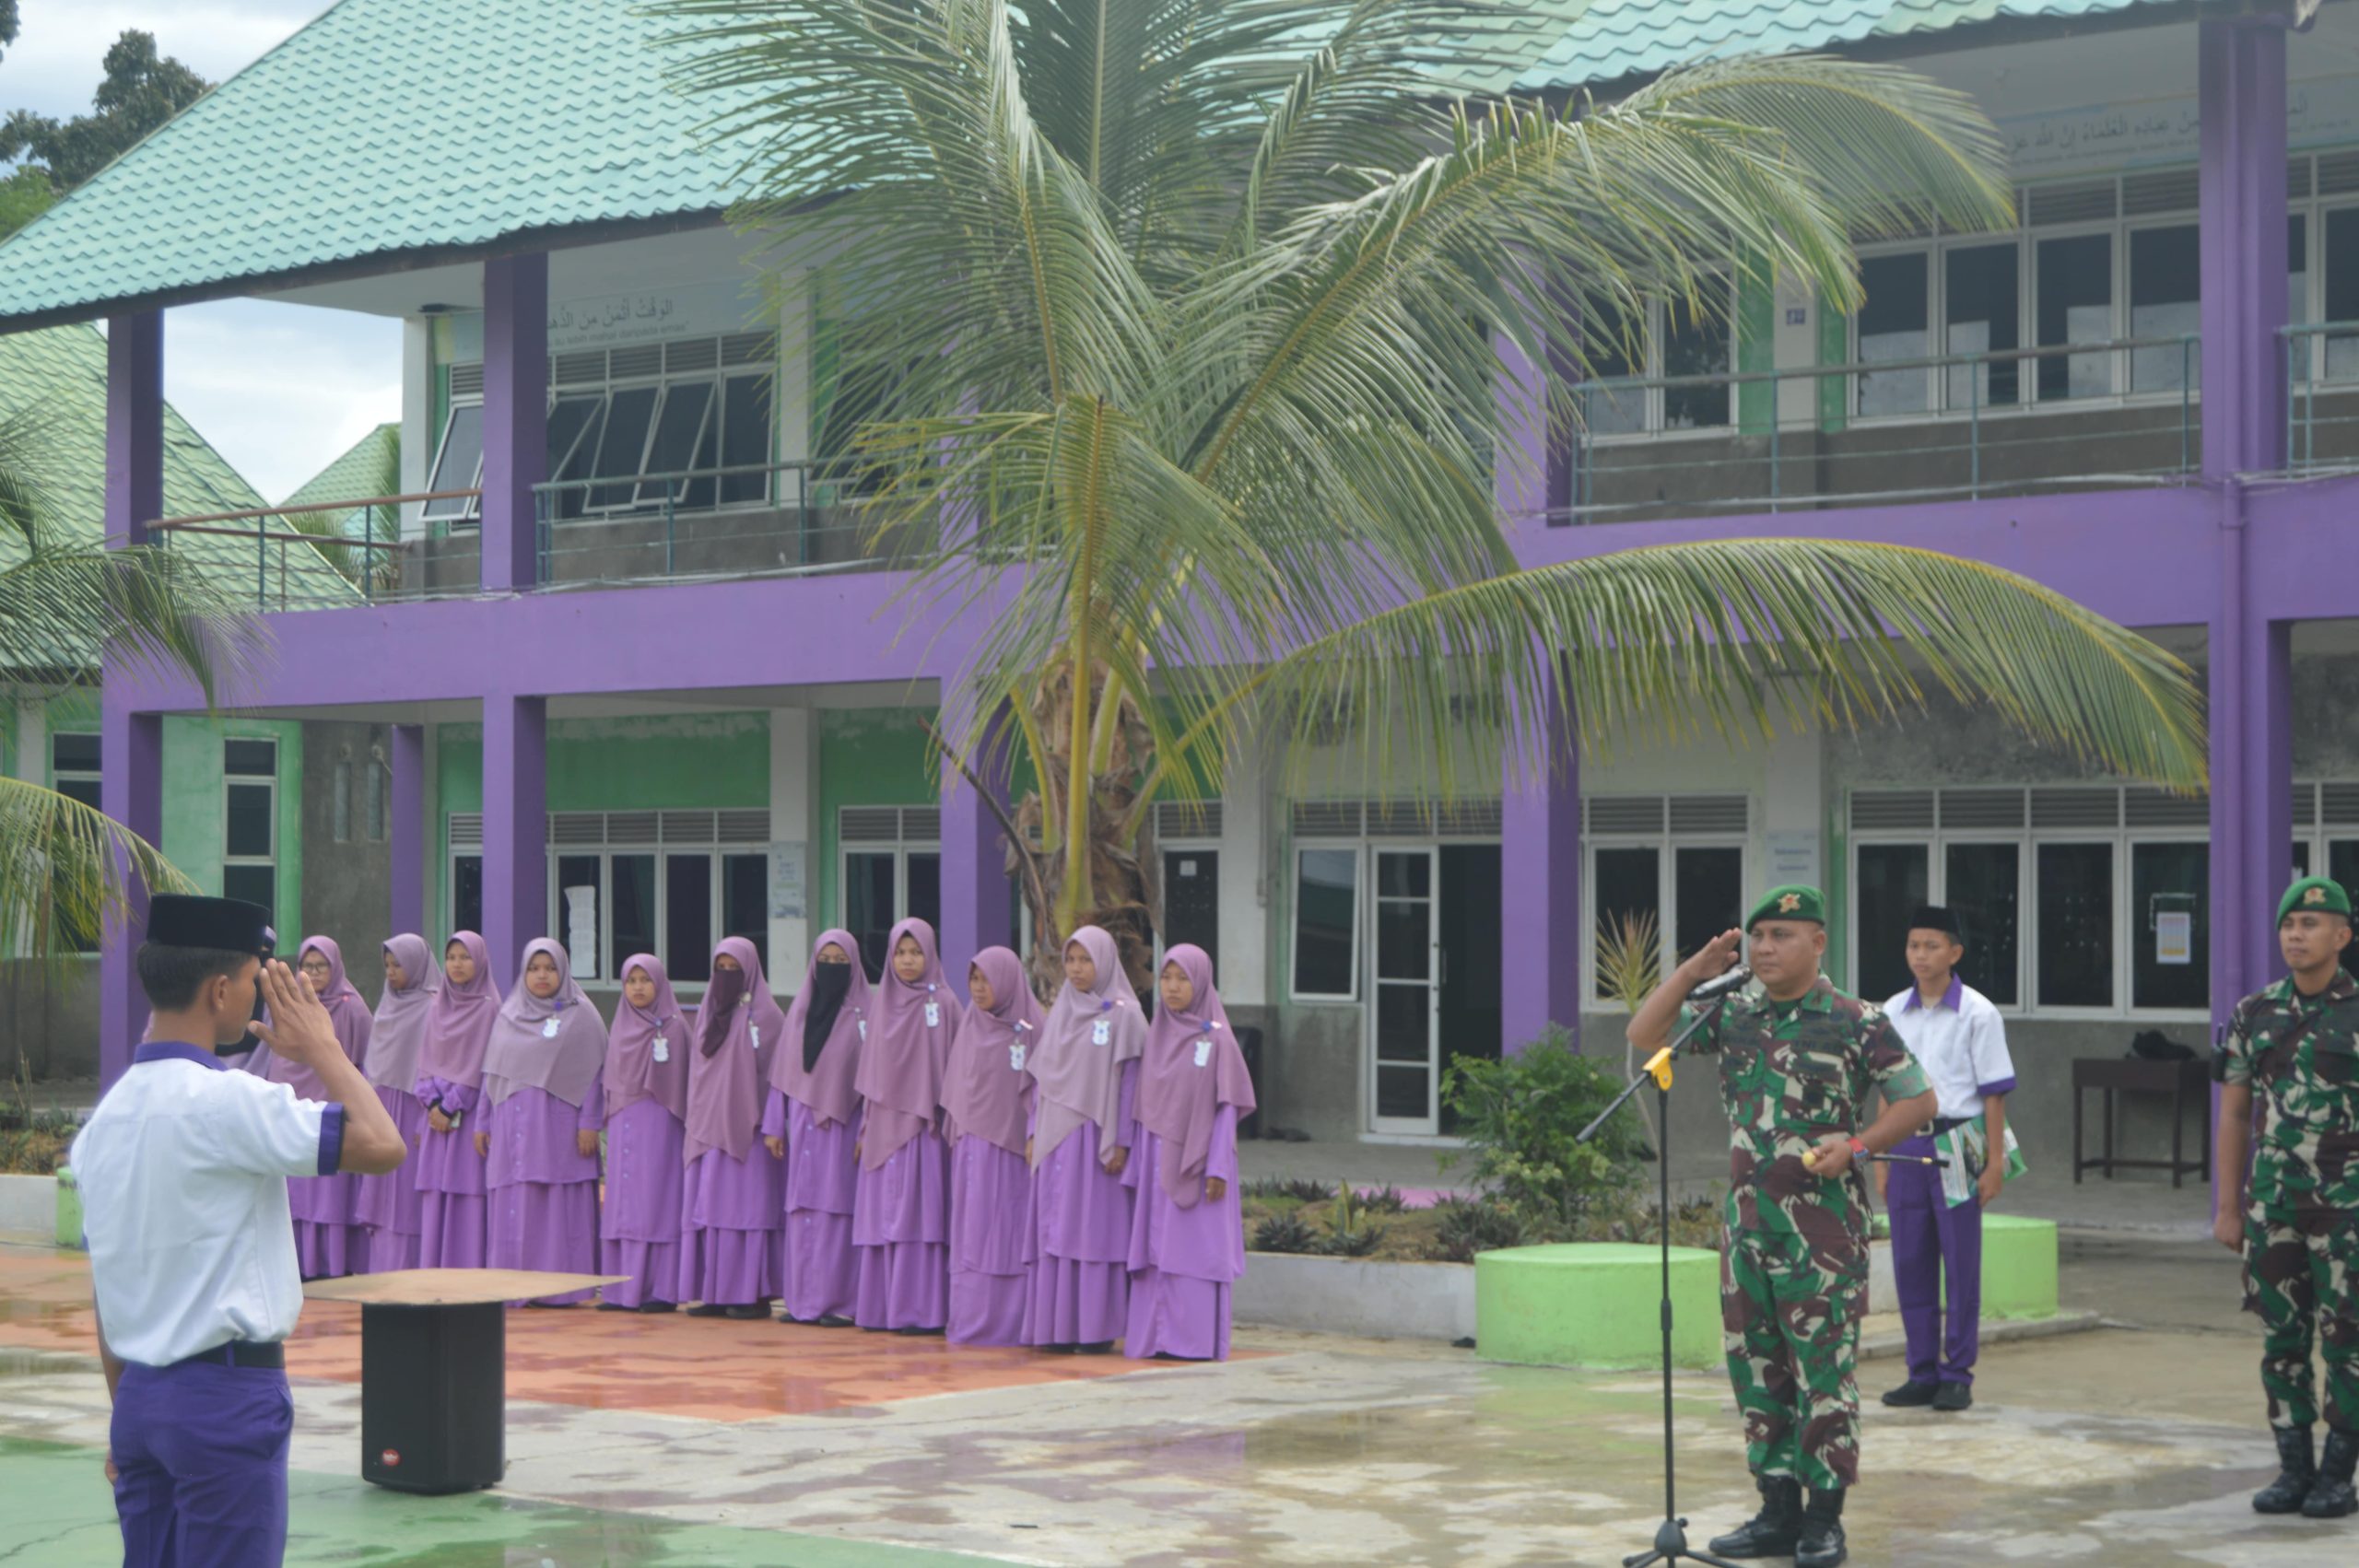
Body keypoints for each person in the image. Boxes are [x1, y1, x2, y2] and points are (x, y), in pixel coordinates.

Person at [74, 895, 405, 1568]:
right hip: (223, 1398)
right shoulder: (230, 1101)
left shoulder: (104, 1123)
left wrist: (129, 1413)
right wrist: (323, 1049)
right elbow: (382, 1142)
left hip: (138, 1396)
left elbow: (108, 1294)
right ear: (221, 989)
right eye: (257, 981)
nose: (261, 996)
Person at [1625, 884, 1936, 1568]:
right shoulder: (1732, 1012)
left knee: (1824, 1374)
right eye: (1758, 936)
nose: (1765, 948)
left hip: (1823, 1234)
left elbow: (1918, 1101)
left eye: (1782, 935)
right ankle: (1776, 1511)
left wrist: (1854, 1147)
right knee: (1757, 1372)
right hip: (1746, 1227)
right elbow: (1644, 1036)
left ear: (1818, 942)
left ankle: (1824, 1520)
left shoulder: (1858, 1020)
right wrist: (1692, 973)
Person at [2213, 874, 2359, 1520]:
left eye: (2310, 925)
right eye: (2289, 926)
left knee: (2348, 1341)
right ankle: (2294, 1468)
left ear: (2342, 935)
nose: (2296, 935)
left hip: (2347, 1208)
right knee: (2282, 1339)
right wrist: (2226, 1205)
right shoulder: (2254, 1013)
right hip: (2275, 1206)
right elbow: (2235, 1115)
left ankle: (2339, 1474)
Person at [1878, 905, 2016, 1413]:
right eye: (1913, 945)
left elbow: (1995, 1093)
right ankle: (1921, 1371)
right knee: (1910, 1261)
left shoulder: (1979, 1013)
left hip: (1960, 1141)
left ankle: (1957, 1373)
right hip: (1906, 1145)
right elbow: (1886, 1086)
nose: (1920, 955)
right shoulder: (1892, 1010)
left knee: (1960, 1263)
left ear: (1954, 953)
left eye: (1931, 946)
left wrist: (1994, 1162)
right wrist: (1880, 1157)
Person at [1124, 943, 1252, 1361]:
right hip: (1157, 1161)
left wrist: (1216, 1167)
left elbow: (1226, 1109)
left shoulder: (1218, 1040)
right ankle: (1155, 1338)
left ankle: (1191, 1341)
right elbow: (1145, 1108)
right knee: (1158, 1252)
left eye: (1183, 978)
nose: (1173, 987)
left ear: (1200, 982)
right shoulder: (1157, 1035)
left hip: (1199, 1169)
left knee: (1194, 1252)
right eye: (1166, 978)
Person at [1023, 925, 1144, 1354]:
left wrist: (1122, 1142)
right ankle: (1056, 1327)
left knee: (1093, 1234)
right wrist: (1034, 1132)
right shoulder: (1062, 1011)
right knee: (1055, 1231)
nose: (1076, 969)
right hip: (1057, 1140)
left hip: (1096, 1141)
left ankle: (1094, 1329)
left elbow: (1131, 1085)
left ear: (1105, 962)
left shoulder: (1125, 1015)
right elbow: (1044, 1080)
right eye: (1070, 960)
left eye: (1085, 960)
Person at [476, 940, 607, 1305]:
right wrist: (481, 1123)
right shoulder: (508, 1015)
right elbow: (492, 1076)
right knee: (517, 1200)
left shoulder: (582, 1017)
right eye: (534, 968)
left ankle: (559, 1289)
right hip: (511, 1130)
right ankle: (515, 1287)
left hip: (559, 1132)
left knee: (555, 1205)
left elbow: (596, 1075)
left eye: (549, 968)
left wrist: (590, 1122)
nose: (542, 975)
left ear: (563, 970)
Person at [851, 918, 957, 1334]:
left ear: (930, 954)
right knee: (882, 1220)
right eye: (900, 952)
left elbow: (956, 1068)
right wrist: (865, 1129)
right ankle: (881, 1310)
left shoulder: (946, 1003)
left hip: (924, 1129)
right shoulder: (882, 1003)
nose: (908, 960)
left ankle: (921, 1311)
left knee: (920, 1219)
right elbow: (870, 1074)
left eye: (916, 952)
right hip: (882, 1127)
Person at [247, 937, 374, 1278]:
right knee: (292, 1192)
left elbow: (361, 1062)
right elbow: (269, 1052)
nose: (314, 973)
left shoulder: (351, 1008)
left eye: (322, 966)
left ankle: (330, 1265)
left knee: (327, 1192)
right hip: (288, 1102)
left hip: (329, 1106)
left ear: (335, 968)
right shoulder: (284, 1005)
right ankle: (293, 1265)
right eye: (308, 966)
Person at [763, 930, 869, 1327]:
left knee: (837, 1212)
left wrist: (866, 1132)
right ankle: (802, 1302)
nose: (832, 969)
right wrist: (774, 1126)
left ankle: (839, 1302)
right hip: (802, 1131)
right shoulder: (799, 1016)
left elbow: (872, 1085)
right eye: (826, 960)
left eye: (841, 962)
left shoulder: (863, 1017)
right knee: (802, 1212)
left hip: (841, 1131)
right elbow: (782, 1077)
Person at [678, 936, 787, 1318]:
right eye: (720, 969)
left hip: (750, 1132)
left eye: (735, 970)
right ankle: (714, 1292)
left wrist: (771, 1124)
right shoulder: (708, 1010)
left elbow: (778, 1078)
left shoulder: (769, 1017)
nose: (726, 977)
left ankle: (751, 1294)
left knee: (748, 1214)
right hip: (708, 1130)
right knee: (711, 1213)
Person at [945, 945, 1039, 1346]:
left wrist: (1034, 1133)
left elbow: (1039, 1090)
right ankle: (970, 1320)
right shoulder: (970, 1024)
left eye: (987, 980)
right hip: (972, 1149)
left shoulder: (1033, 1030)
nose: (980, 989)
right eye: (974, 980)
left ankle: (1010, 1323)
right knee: (972, 1234)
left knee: (1007, 1234)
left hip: (1013, 1152)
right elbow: (956, 1085)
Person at [599, 954, 692, 1313]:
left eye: (645, 980)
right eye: (631, 981)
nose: (638, 987)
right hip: (624, 1123)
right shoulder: (620, 1026)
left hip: (660, 1125)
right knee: (623, 1204)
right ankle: (619, 1291)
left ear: (660, 983)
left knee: (656, 1202)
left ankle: (659, 1290)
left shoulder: (674, 1028)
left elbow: (683, 1085)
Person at [413, 931, 501, 1268]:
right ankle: (434, 1269)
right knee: (436, 1192)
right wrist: (432, 1103)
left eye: (465, 957)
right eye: (451, 957)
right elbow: (424, 1061)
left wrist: (451, 1104)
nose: (458, 964)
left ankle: (466, 1268)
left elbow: (485, 1064)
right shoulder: (438, 1004)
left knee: (466, 1192)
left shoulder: (489, 1008)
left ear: (479, 961)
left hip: (468, 1116)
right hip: (436, 1118)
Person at [354, 935, 438, 1273]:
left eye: (398, 965)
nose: (391, 972)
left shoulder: (433, 1007)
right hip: (383, 1105)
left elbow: (435, 1062)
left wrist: (424, 1116)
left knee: (405, 1197)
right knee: (381, 1191)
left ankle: (411, 1266)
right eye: (387, 965)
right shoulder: (387, 1004)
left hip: (415, 1107)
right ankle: (381, 1266)